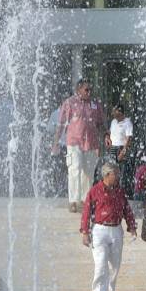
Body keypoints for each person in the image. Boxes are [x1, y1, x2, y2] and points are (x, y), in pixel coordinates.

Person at [80, 162, 136, 291]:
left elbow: (126, 209)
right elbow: (86, 211)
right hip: (100, 230)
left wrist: (132, 226)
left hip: (116, 230)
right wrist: (85, 232)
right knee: (101, 262)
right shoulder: (94, 191)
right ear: (106, 175)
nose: (118, 176)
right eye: (115, 174)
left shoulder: (119, 191)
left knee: (115, 265)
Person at [52, 79, 105, 214]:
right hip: (74, 141)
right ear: (78, 90)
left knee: (88, 172)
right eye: (86, 90)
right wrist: (56, 142)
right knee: (75, 168)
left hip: (91, 143)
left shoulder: (95, 104)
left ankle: (84, 200)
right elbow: (61, 123)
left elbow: (100, 123)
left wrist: (106, 136)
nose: (89, 92)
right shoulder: (70, 103)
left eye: (90, 90)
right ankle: (73, 200)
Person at [105, 104, 135, 197]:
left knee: (120, 172)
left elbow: (129, 139)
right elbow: (110, 133)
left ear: (121, 112)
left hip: (121, 148)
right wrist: (107, 138)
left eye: (115, 113)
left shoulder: (127, 123)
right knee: (111, 170)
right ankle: (111, 191)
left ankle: (120, 193)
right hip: (113, 148)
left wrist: (123, 152)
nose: (113, 115)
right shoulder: (113, 122)